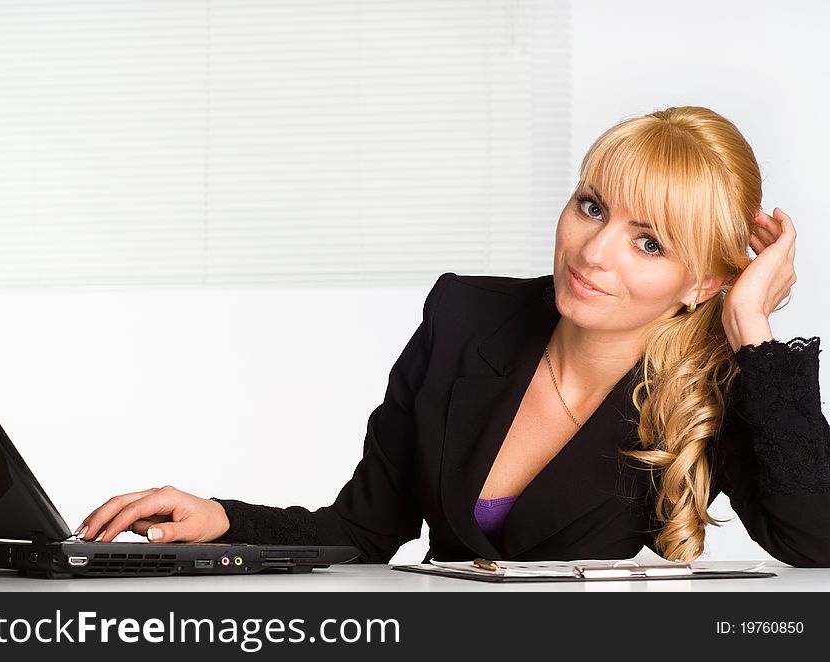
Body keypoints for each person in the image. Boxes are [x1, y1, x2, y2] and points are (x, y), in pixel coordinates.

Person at [76, 105, 830, 566]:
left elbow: (815, 541)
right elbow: (365, 528)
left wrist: (752, 326)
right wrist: (224, 520)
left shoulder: (719, 388)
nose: (593, 252)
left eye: (651, 243)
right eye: (592, 206)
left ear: (702, 284)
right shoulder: (464, 316)